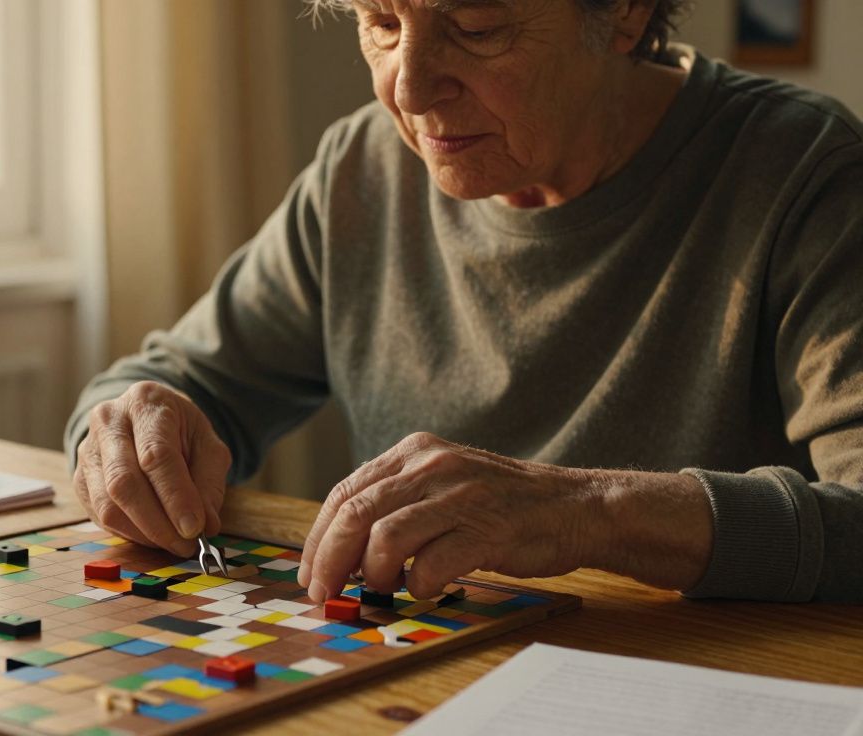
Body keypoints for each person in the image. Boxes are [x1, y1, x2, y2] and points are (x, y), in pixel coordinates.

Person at [65, 0, 863, 603]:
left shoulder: (806, 173)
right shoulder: (361, 170)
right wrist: (131, 431)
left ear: (624, 12)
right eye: (381, 22)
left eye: (476, 27)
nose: (409, 88)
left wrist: (584, 511)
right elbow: (170, 385)